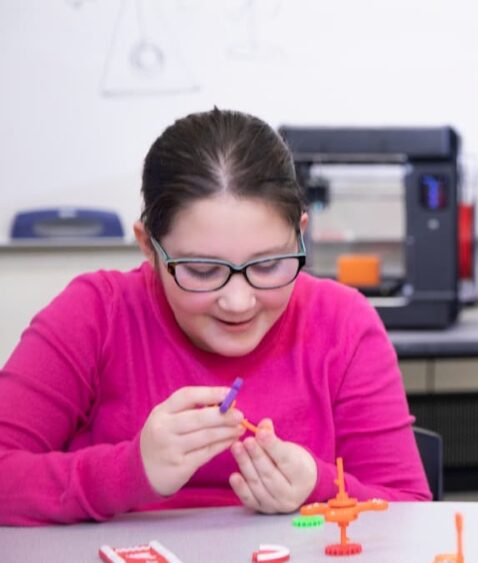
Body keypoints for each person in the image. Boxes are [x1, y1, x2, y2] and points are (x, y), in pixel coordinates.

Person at [0, 109, 431, 525]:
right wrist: (132, 471)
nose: (239, 301)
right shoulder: (95, 314)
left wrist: (319, 487)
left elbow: (411, 510)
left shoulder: (342, 324)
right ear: (149, 246)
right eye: (203, 271)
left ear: (300, 233)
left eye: (267, 266)